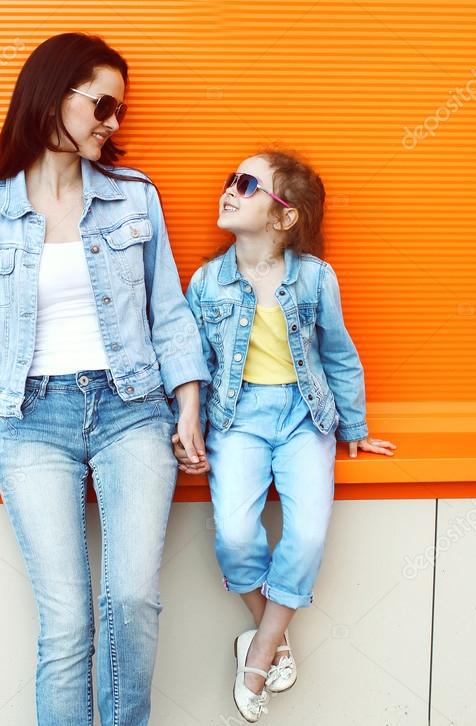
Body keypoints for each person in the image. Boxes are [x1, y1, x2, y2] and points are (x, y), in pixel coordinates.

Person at [0, 32, 210, 726]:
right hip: (33, 421)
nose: (112, 124)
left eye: (119, 113)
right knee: (66, 620)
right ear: (54, 96)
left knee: (133, 599)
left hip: (131, 410)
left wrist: (188, 405)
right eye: (103, 105)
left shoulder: (135, 198)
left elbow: (168, 311)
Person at [172, 149, 396, 721]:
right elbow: (188, 360)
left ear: (284, 216)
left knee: (308, 537)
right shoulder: (206, 282)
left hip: (304, 420)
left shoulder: (316, 279)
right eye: (230, 179)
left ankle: (260, 650)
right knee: (236, 534)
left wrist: (357, 426)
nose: (229, 189)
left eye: (247, 184)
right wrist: (185, 426)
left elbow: (341, 356)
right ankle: (271, 635)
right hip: (236, 419)